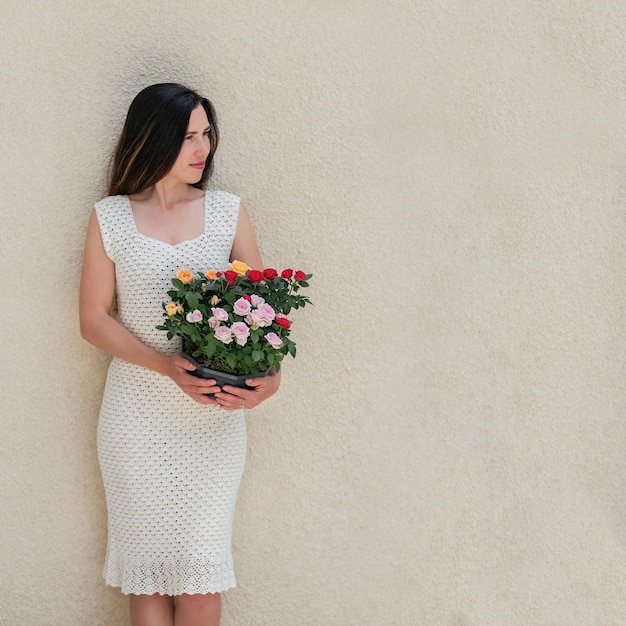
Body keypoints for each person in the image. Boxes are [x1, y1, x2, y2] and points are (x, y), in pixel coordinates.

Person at [79, 83, 280, 626]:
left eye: (206, 134)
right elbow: (93, 320)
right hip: (135, 420)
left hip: (212, 421)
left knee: (200, 575)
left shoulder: (228, 212)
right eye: (188, 136)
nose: (203, 149)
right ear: (153, 138)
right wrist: (166, 366)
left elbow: (264, 313)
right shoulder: (111, 217)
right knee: (146, 576)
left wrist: (270, 379)